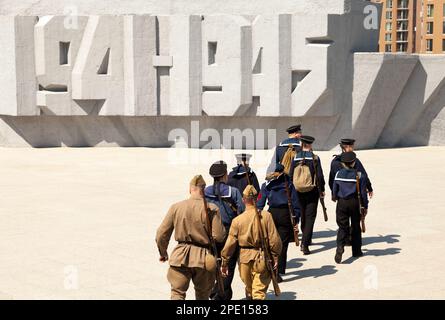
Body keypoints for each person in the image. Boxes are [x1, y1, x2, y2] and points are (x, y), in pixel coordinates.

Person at [155, 175, 226, 300]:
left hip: (180, 256)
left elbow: (161, 233)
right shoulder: (212, 208)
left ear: (190, 189)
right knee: (203, 296)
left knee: (177, 294)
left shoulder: (176, 207)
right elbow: (219, 236)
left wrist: (163, 252)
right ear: (203, 190)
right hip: (204, 258)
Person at [221, 185, 282, 300]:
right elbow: (274, 239)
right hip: (261, 257)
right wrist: (275, 255)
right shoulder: (266, 216)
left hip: (244, 258)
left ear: (243, 200)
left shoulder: (237, 220)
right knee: (258, 292)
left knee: (250, 289)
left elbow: (230, 244)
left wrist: (224, 262)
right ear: (257, 198)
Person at [205, 161, 245, 300]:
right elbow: (242, 211)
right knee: (229, 265)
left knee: (215, 263)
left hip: (211, 232)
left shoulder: (205, 192)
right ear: (224, 176)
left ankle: (214, 289)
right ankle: (220, 294)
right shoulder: (233, 192)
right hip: (229, 232)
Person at [257, 163, 301, 281]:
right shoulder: (289, 184)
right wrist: (296, 219)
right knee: (282, 244)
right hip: (285, 214)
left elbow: (260, 202)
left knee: (270, 242)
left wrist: (258, 216)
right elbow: (295, 203)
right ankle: (277, 272)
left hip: (271, 214)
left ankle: (270, 267)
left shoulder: (266, 185)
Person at [289, 135, 325, 255]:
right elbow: (319, 176)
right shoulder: (315, 158)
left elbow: (290, 175)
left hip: (298, 191)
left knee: (303, 215)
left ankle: (306, 238)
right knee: (310, 217)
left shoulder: (295, 157)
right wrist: (322, 189)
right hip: (312, 191)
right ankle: (305, 243)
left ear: (301, 144)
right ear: (310, 145)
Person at [332, 152, 369, 264]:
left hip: (342, 203)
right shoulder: (359, 175)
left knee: (342, 226)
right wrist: (365, 206)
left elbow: (335, 190)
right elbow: (363, 193)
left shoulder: (338, 174)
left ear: (343, 163)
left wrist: (335, 197)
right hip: (355, 203)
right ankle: (356, 251)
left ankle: (340, 246)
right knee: (356, 226)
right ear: (353, 163)